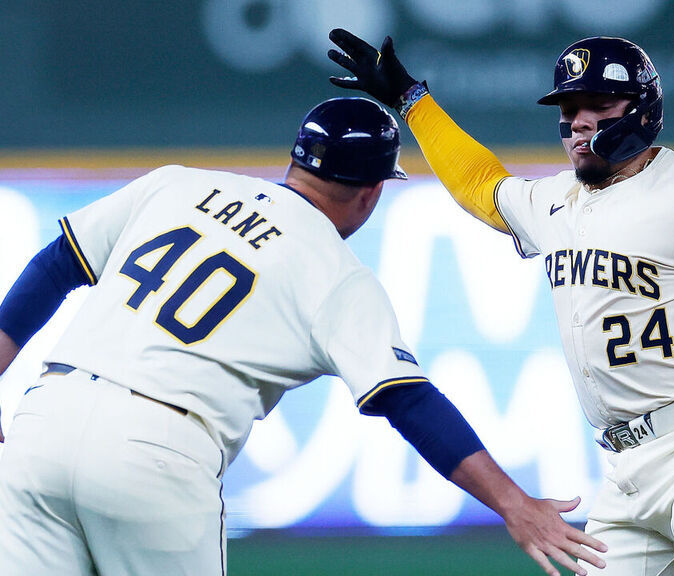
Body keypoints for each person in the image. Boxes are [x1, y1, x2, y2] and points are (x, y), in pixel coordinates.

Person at [0, 97, 606, 576]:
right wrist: (513, 504)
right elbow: (408, 400)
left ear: (296, 161)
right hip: (156, 452)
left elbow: (53, 266)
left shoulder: (175, 184)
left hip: (43, 424)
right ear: (371, 193)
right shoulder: (337, 274)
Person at [326, 29, 674, 575]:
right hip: (622, 468)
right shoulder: (557, 201)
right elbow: (480, 185)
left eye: (599, 106)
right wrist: (413, 101)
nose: (579, 122)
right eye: (569, 107)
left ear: (643, 109)